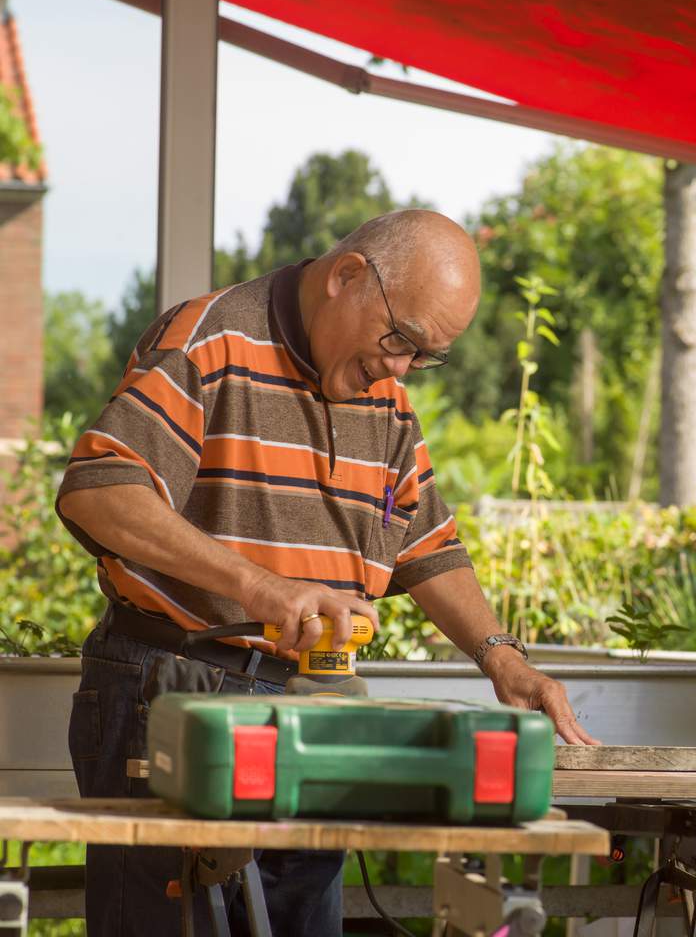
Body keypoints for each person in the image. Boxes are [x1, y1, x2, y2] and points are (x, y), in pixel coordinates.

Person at [56, 209, 598, 937]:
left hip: (315, 704)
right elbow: (101, 491)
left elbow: (427, 546)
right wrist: (259, 585)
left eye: (424, 355)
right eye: (400, 339)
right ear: (346, 277)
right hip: (174, 687)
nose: (402, 367)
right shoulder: (210, 340)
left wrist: (503, 659)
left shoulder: (387, 403)